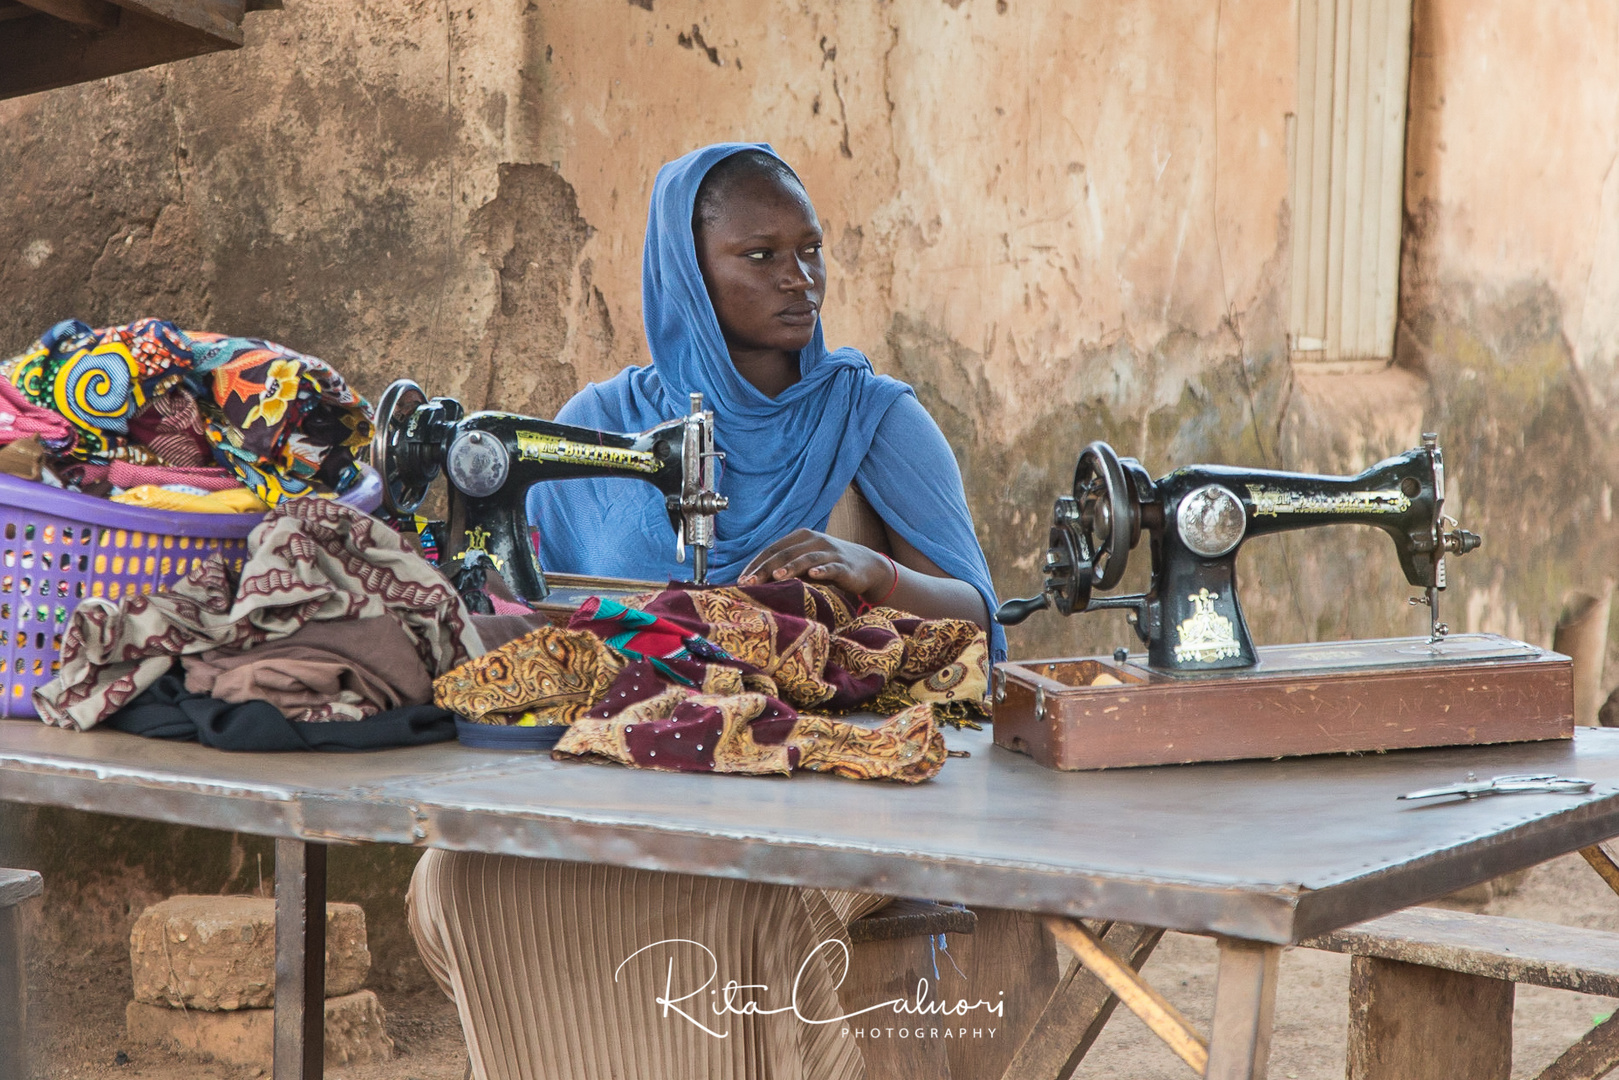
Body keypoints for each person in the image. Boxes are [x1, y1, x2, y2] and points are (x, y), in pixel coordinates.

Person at [410, 143, 1003, 1080]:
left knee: (763, 902)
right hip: (631, 763)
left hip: (815, 776)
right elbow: (532, 617)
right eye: (759, 256)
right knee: (465, 872)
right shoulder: (601, 424)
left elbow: (976, 620)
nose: (799, 279)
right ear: (686, 271)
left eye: (809, 250)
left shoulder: (872, 417)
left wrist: (869, 570)